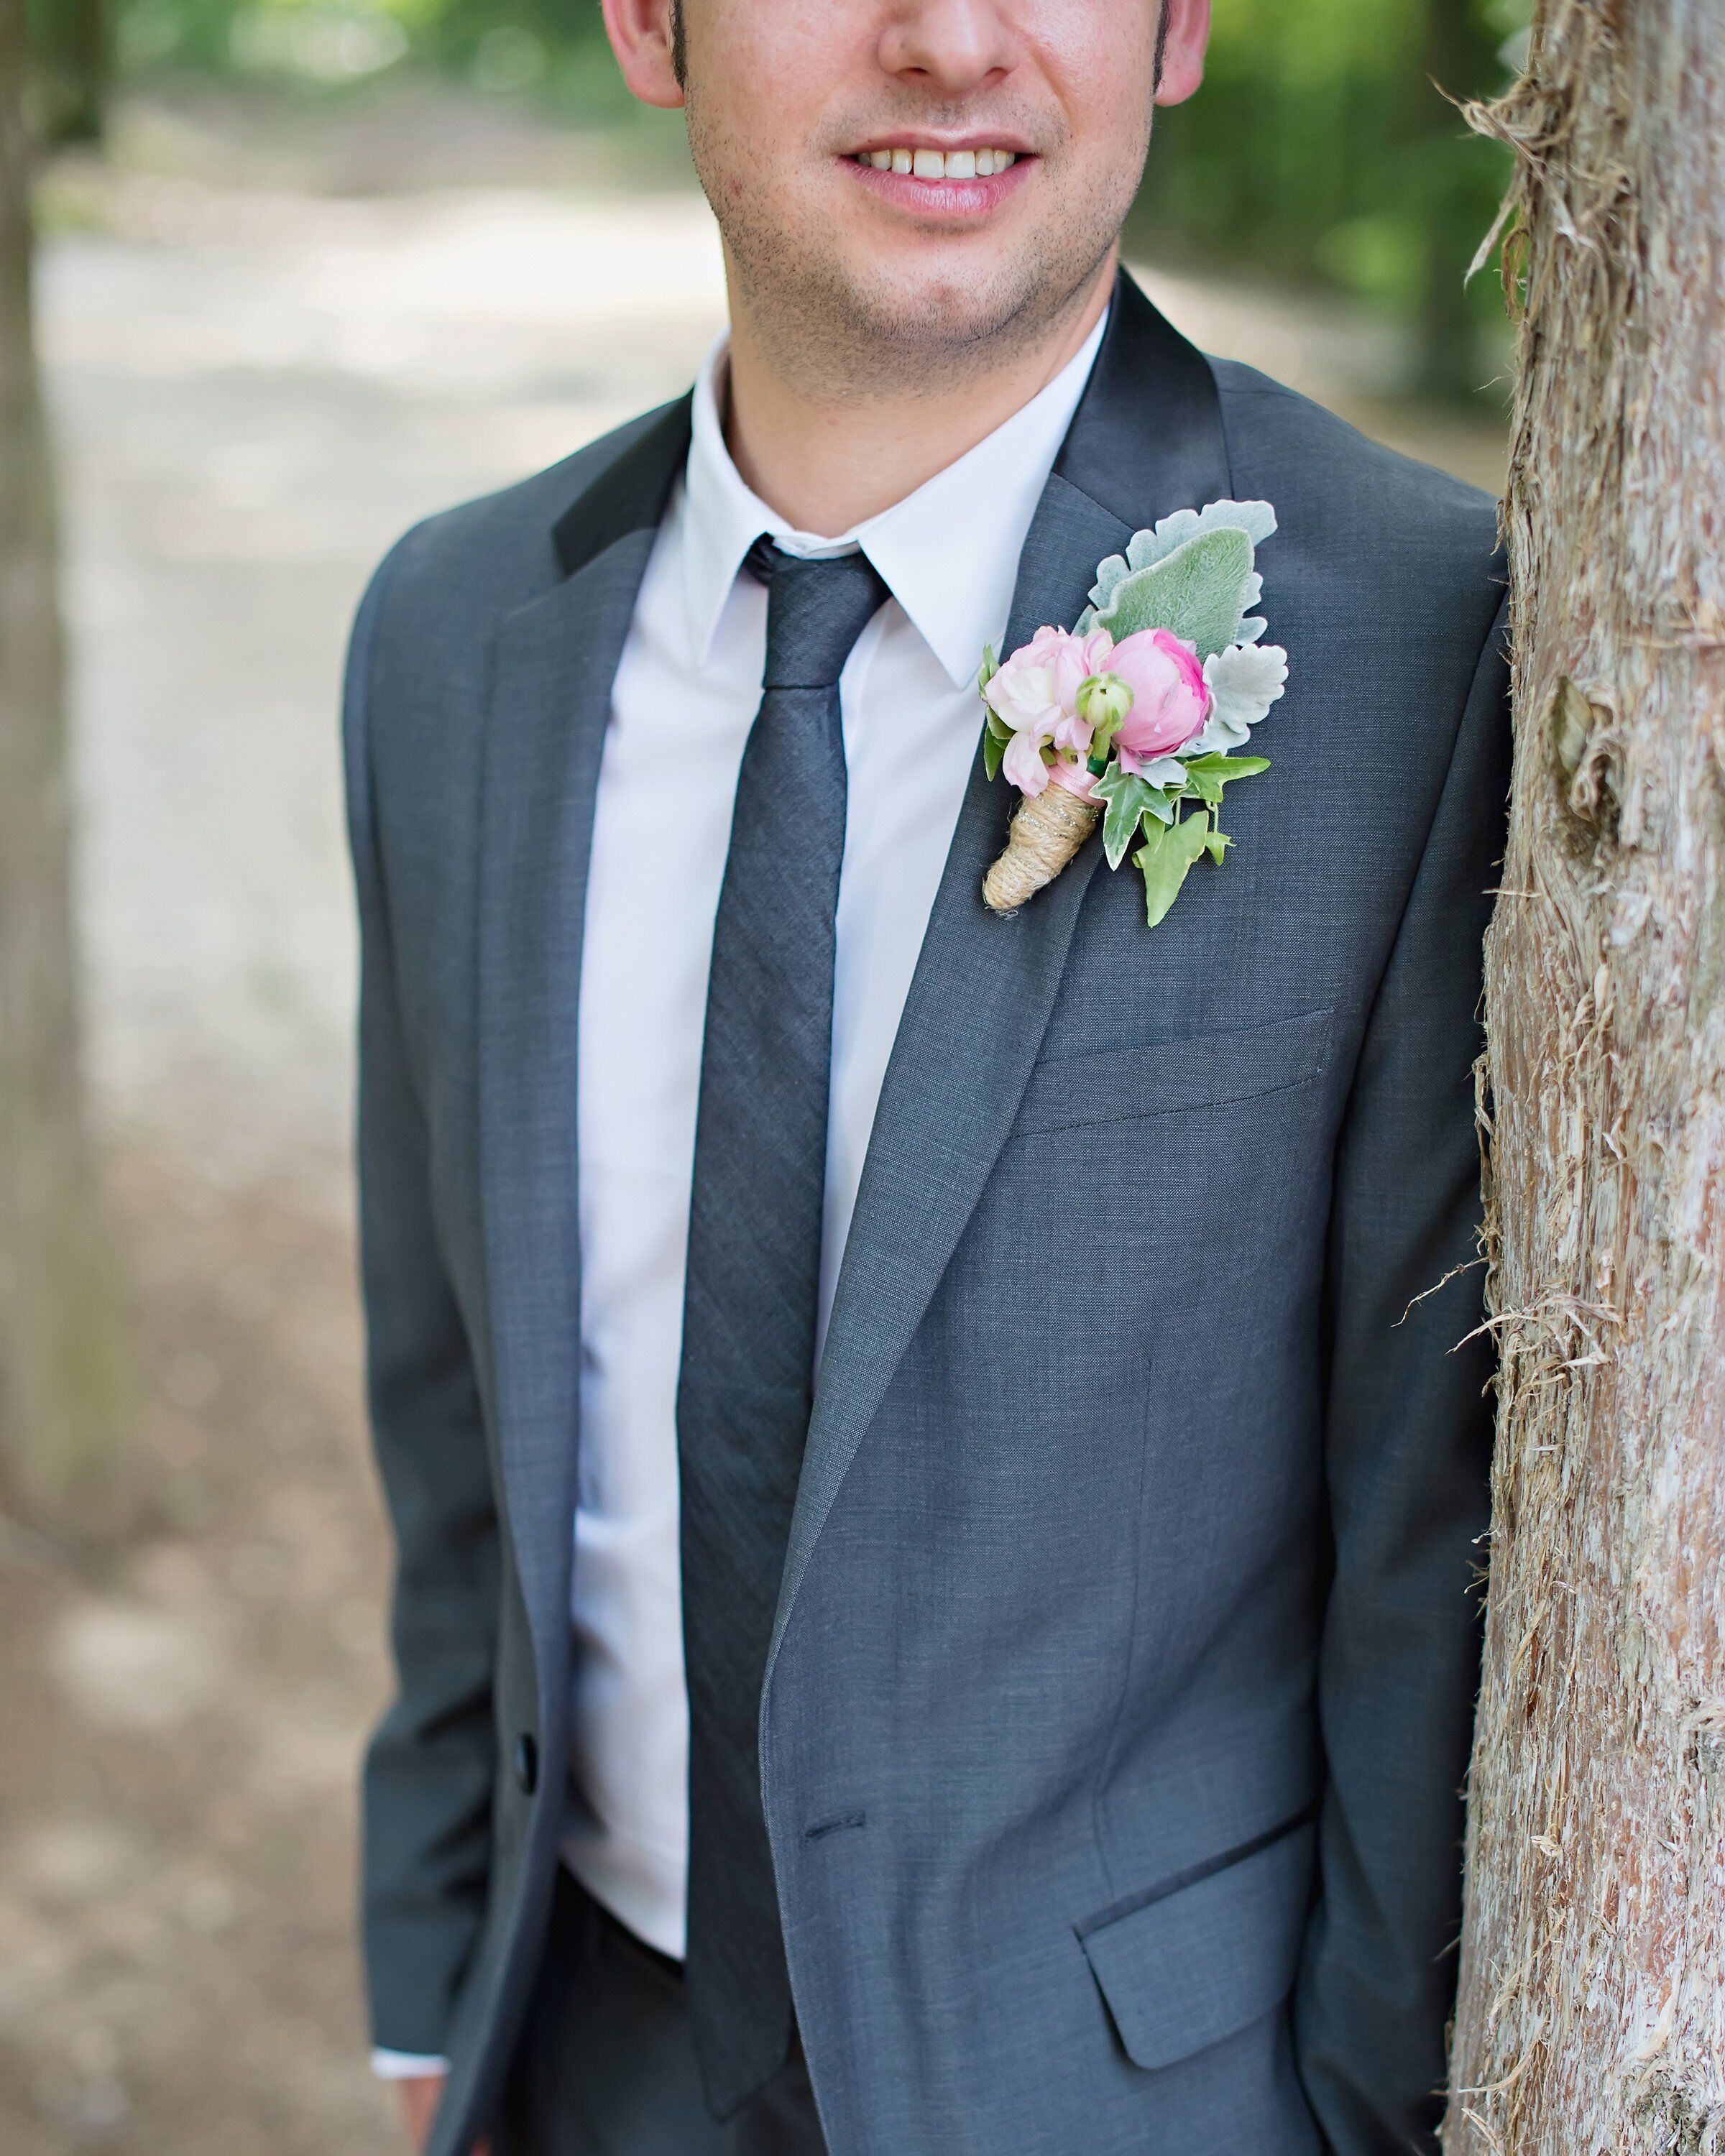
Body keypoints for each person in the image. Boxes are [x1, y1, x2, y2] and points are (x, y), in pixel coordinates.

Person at [344, 0, 1509, 2150]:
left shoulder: (1427, 648)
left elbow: (1429, 1538)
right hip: (578, 2053)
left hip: (1135, 2094)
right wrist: (434, 1957)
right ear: (642, 21)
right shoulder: (450, 637)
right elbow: (455, 1398)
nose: (950, 38)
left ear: (1180, 24)